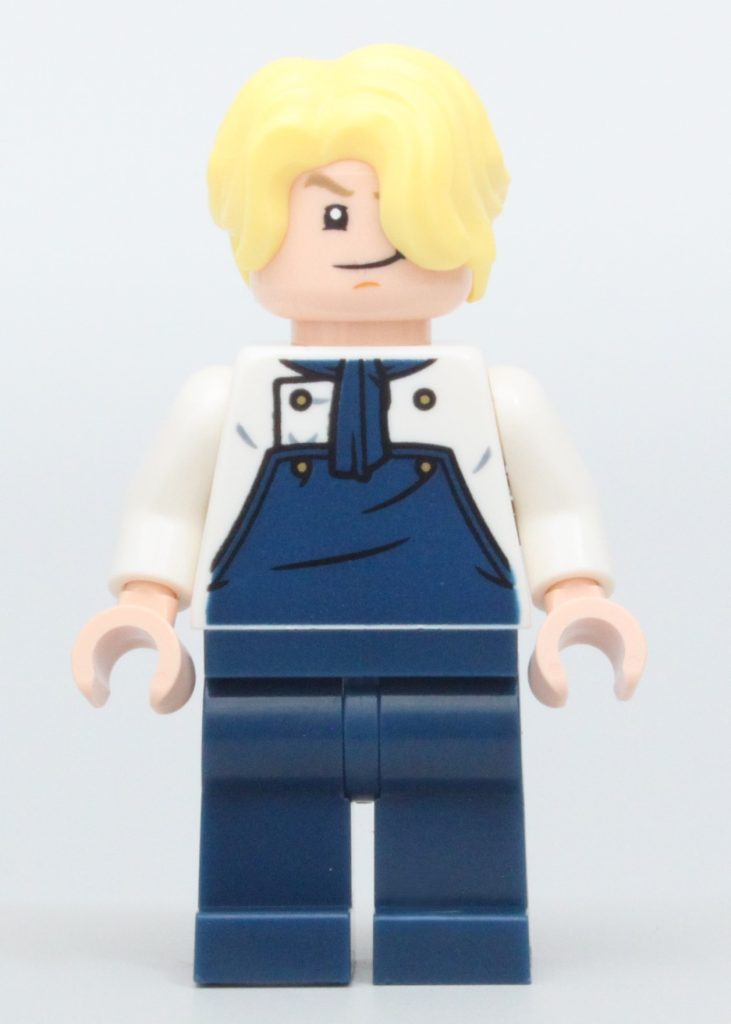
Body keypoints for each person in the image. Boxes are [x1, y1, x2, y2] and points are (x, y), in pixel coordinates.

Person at [73, 44, 646, 986]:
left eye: (406, 213)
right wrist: (144, 606)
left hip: (453, 661)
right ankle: (268, 929)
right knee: (263, 804)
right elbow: (166, 513)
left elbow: (556, 508)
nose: (368, 243)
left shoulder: (496, 398)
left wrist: (576, 597)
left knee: (460, 800)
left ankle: (457, 929)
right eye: (332, 213)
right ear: (259, 228)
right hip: (267, 663)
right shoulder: (225, 399)